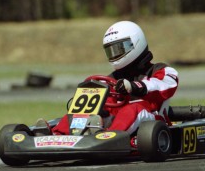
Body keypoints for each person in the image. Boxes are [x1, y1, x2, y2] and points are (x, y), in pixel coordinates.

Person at [35, 21, 178, 136]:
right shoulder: (112, 78)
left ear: (135, 43)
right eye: (111, 50)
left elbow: (164, 86)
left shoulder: (161, 70)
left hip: (152, 121)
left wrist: (134, 86)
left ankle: (106, 138)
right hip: (118, 122)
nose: (115, 54)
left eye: (119, 49)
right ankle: (56, 135)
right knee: (84, 111)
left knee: (133, 109)